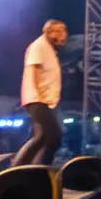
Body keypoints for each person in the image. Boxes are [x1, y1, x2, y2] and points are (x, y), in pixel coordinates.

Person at [12, 20, 67, 167]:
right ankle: (35, 167)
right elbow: (33, 73)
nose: (64, 34)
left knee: (43, 137)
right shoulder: (39, 47)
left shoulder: (48, 48)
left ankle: (31, 167)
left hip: (44, 100)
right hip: (37, 99)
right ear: (49, 32)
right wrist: (38, 97)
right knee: (54, 136)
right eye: (60, 30)